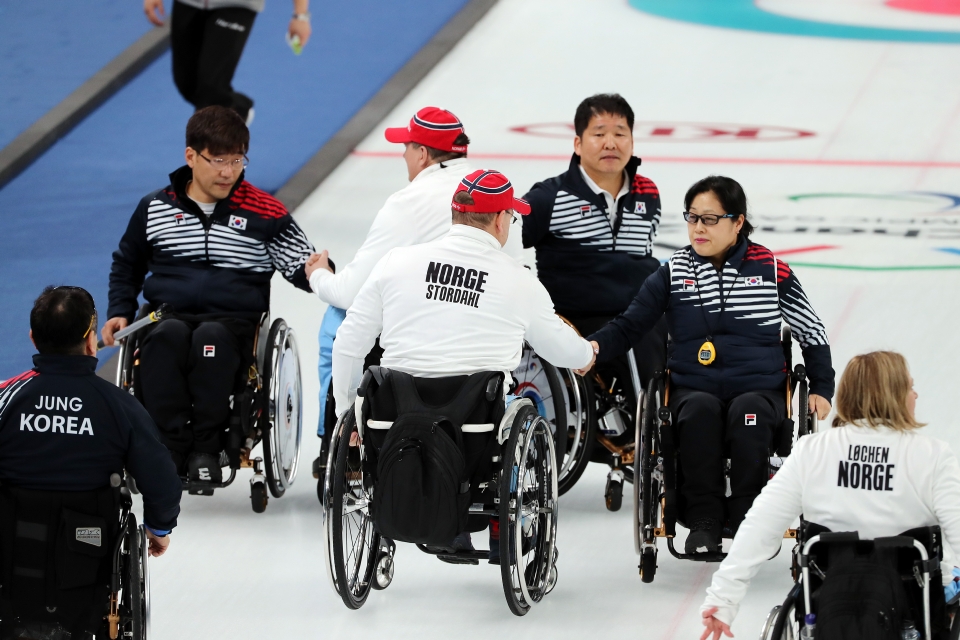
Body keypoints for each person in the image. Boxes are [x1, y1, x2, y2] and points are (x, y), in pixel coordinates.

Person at [332, 169, 594, 559]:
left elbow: (349, 342)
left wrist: (346, 415)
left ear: (455, 214)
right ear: (501, 219)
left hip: (392, 424)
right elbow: (559, 349)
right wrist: (586, 354)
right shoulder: (518, 281)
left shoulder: (396, 262)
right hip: (475, 434)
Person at [587, 176, 835, 554]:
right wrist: (592, 349)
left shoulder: (772, 269)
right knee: (698, 414)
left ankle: (749, 516)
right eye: (692, 218)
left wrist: (820, 387)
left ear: (738, 222)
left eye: (709, 219)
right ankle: (702, 519)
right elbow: (631, 324)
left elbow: (811, 329)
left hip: (759, 388)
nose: (698, 228)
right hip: (694, 386)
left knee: (748, 414)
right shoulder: (673, 272)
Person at [102, 106, 315, 482]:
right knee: (166, 337)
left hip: (231, 323)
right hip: (167, 315)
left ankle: (208, 449)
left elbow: (300, 263)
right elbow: (127, 264)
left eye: (237, 160)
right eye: (218, 160)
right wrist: (120, 309)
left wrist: (318, 272)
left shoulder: (265, 212)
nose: (228, 171)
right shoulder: (154, 208)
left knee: (210, 340)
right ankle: (169, 448)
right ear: (191, 156)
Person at [305, 107, 522, 472]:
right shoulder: (498, 193)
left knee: (337, 320)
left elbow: (349, 292)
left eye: (406, 147)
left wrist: (318, 275)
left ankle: (340, 434)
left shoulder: (406, 203)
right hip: (488, 353)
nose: (404, 156)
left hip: (418, 352)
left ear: (421, 153)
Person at [699, 351, 960, 640]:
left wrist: (723, 600)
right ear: (894, 394)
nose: (916, 395)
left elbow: (760, 526)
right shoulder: (932, 456)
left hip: (828, 609)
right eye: (910, 387)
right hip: (911, 612)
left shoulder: (813, 451)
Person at [0, 286, 181, 638]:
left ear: (34, 339)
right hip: (85, 558)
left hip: (9, 559)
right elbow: (161, 478)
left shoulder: (8, 397)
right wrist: (159, 528)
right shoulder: (118, 407)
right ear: (89, 342)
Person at [521, 93, 667, 384]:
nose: (610, 143)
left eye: (620, 134)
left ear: (632, 142)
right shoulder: (549, 198)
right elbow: (505, 241)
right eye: (599, 133)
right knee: (641, 335)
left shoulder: (648, 192)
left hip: (638, 313)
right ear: (578, 143)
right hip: (579, 316)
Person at [143, 0, 312, 124]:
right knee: (187, 83)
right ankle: (238, 109)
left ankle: (208, 162)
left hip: (236, 5)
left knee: (210, 88)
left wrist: (300, 15)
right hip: (188, 3)